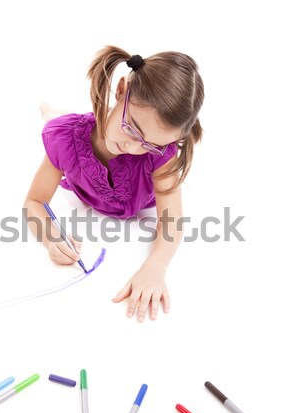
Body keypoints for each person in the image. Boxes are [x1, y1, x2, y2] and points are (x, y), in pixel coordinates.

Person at [24, 45, 204, 322]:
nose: (132, 147)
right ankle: (49, 110)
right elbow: (34, 202)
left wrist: (155, 267)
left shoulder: (161, 156)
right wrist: (51, 239)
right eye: (132, 127)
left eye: (150, 145)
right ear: (121, 89)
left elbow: (172, 221)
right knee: (55, 119)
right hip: (77, 149)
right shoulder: (65, 142)